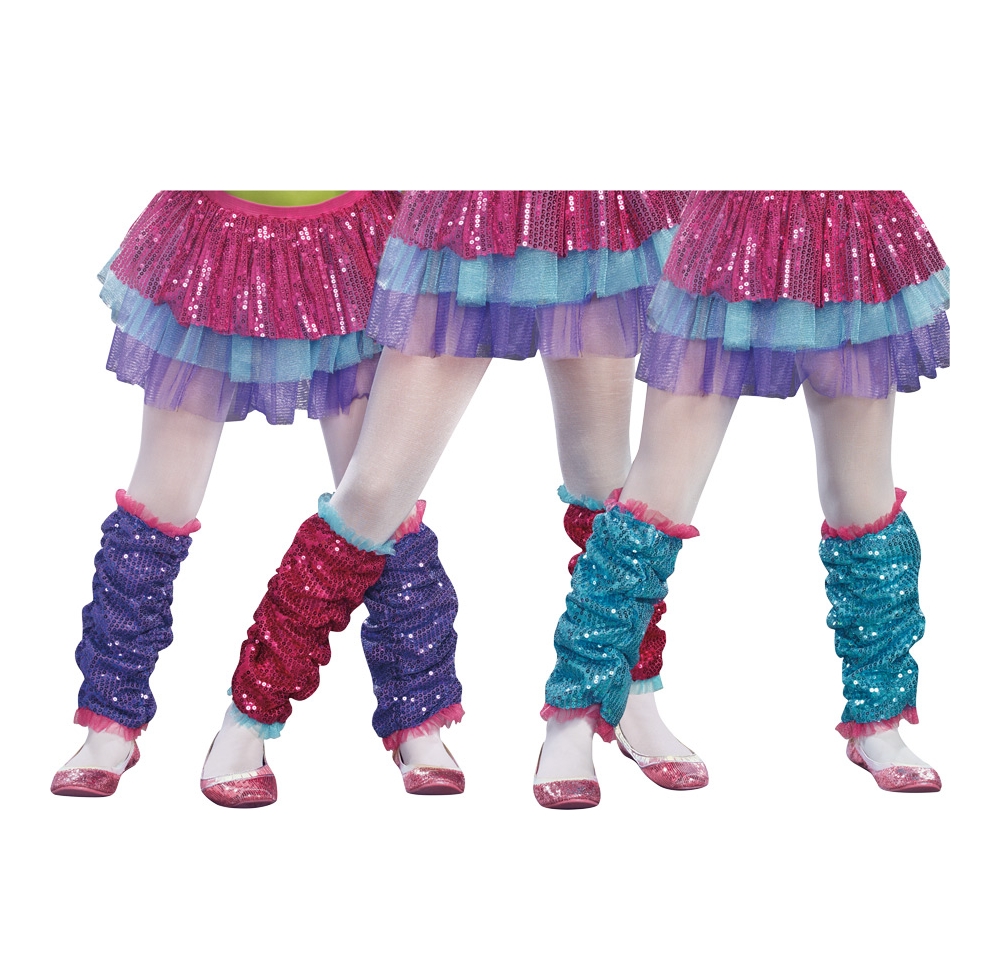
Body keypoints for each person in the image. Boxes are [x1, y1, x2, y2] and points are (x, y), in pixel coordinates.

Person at [208, 191, 699, 808]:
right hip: (473, 210)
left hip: (593, 210)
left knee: (605, 482)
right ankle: (249, 710)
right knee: (375, 490)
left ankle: (632, 697)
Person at [50, 190, 464, 806]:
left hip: (351, 236)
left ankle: (418, 715)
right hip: (217, 234)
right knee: (160, 496)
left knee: (379, 496)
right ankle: (108, 718)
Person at [540, 190, 949, 806]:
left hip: (853, 233)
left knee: (862, 494)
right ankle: (572, 714)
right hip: (733, 229)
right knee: (658, 491)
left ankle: (881, 721)